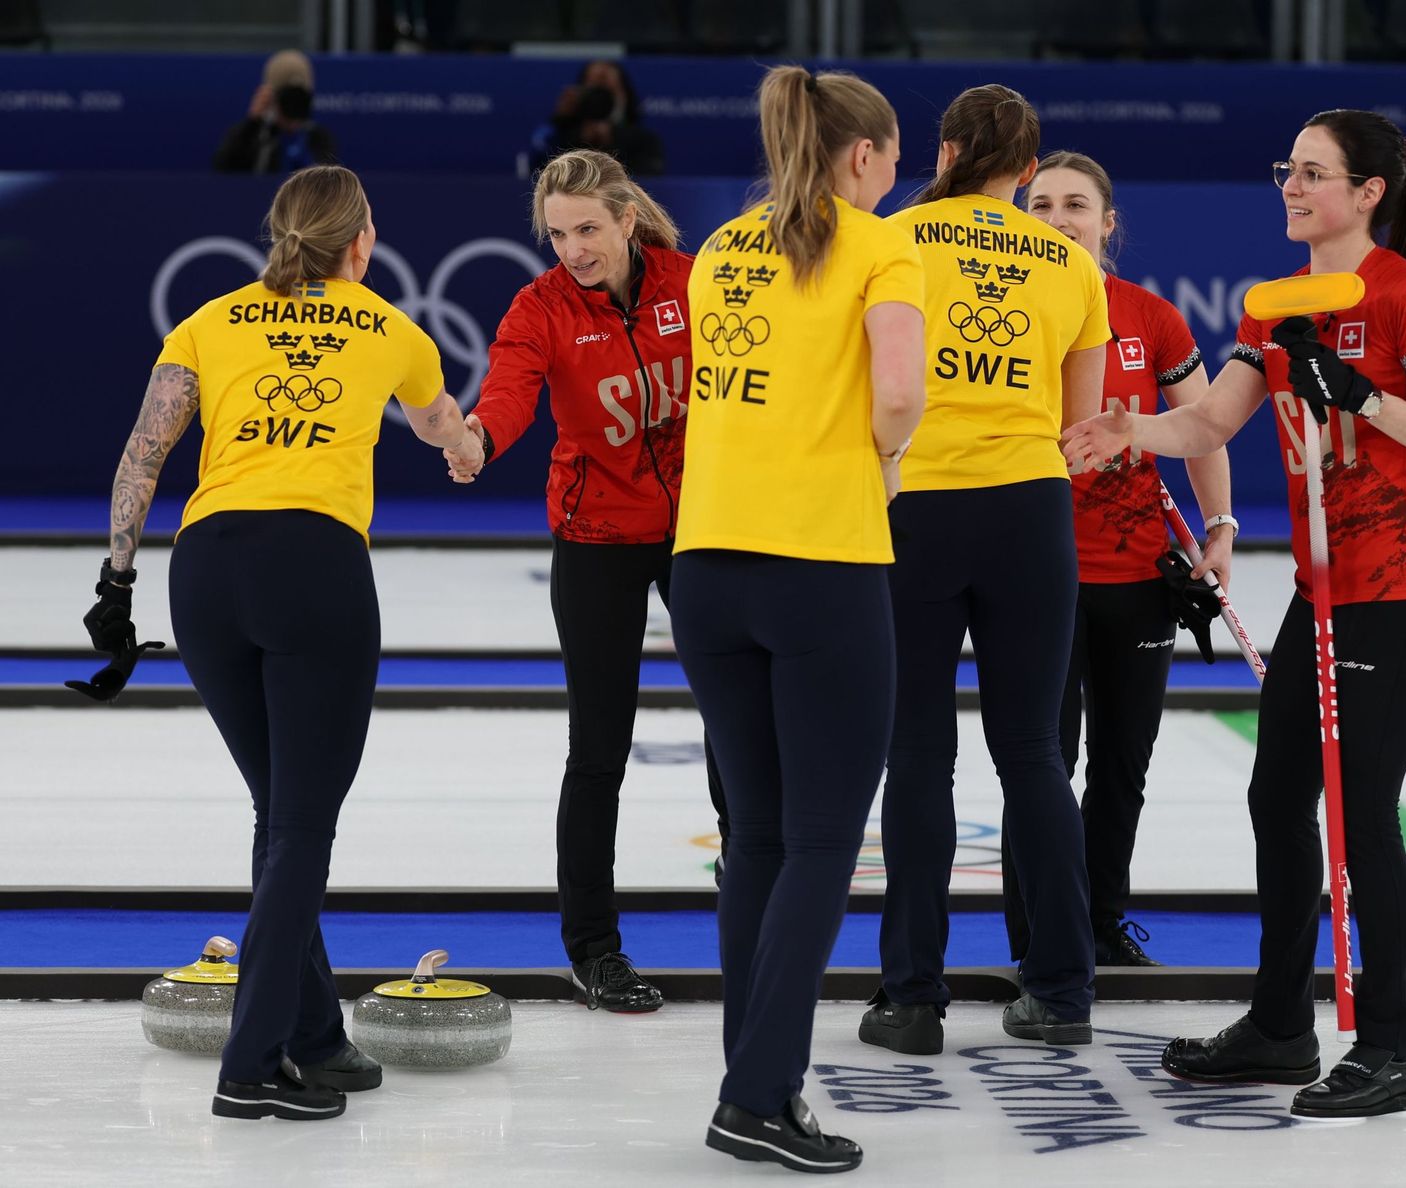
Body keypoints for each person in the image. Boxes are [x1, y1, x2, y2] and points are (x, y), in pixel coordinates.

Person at [1063, 109, 1406, 1119]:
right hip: (1322, 595)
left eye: (1311, 173)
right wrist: (1128, 425)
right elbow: (1209, 419)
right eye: (1284, 170)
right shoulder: (1273, 306)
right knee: (1274, 798)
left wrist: (1365, 398)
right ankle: (1281, 1026)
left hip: (1400, 595)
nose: (1290, 187)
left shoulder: (1404, 300)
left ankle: (1386, 1047)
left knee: (1360, 816)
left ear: (1367, 191)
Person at [77, 164, 481, 1120]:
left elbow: (143, 452)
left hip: (205, 571)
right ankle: (252, 1062)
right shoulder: (392, 328)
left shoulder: (208, 320)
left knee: (278, 810)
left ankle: (313, 1036)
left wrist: (116, 579)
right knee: (302, 826)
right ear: (361, 245)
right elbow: (442, 430)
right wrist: (469, 450)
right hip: (315, 570)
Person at [670, 65, 924, 1173]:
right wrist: (882, 467)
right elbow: (903, 392)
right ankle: (759, 1097)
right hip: (820, 558)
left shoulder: (724, 244)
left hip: (708, 561)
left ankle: (751, 1085)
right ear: (862, 158)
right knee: (822, 840)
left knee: (760, 840)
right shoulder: (879, 243)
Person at [858, 86, 1109, 1060]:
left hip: (914, 507)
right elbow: (1076, 424)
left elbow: (873, 384)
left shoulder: (896, 238)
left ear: (949, 149)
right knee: (1035, 754)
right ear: (1030, 170)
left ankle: (912, 998)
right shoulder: (1069, 262)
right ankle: (1061, 989)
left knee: (918, 754)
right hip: (1029, 510)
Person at [446, 148, 726, 1014]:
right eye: (559, 234)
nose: (574, 249)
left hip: (705, 530)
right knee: (598, 749)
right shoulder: (540, 308)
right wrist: (478, 442)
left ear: (627, 219)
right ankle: (594, 950)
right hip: (596, 535)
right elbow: (508, 394)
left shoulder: (697, 282)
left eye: (589, 230)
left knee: (741, 731)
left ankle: (758, 925)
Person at [997, 150, 1236, 969]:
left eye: (1074, 204)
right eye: (1041, 204)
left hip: (1138, 577)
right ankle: (1037, 939)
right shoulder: (996, 307)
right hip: (1033, 574)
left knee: (1121, 768)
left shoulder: (1151, 315)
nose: (1057, 217)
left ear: (1108, 223)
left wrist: (1222, 526)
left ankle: (1100, 922)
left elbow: (1200, 424)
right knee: (1042, 765)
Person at [530, 60, 665, 177]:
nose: (600, 100)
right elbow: (538, 176)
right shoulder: (559, 138)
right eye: (595, 91)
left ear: (624, 95)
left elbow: (648, 186)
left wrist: (612, 142)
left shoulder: (644, 141)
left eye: (609, 91)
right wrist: (558, 119)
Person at [214, 50, 339, 175]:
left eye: (298, 98)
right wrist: (252, 123)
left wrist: (296, 134)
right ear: (271, 96)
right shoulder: (256, 135)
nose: (291, 104)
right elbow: (223, 171)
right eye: (287, 98)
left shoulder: (318, 137)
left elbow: (325, 181)